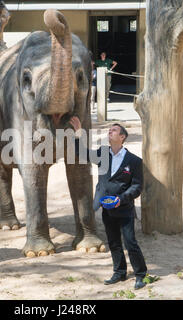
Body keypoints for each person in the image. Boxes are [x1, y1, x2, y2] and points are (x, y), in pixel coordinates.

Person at [69, 116, 147, 290]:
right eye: (109, 130)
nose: (109, 131)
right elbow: (82, 154)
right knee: (113, 242)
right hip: (106, 207)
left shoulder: (134, 161)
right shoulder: (103, 153)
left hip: (125, 208)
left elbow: (137, 187)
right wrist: (78, 132)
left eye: (114, 130)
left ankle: (141, 274)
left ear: (122, 137)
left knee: (130, 242)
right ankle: (119, 272)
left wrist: (122, 199)